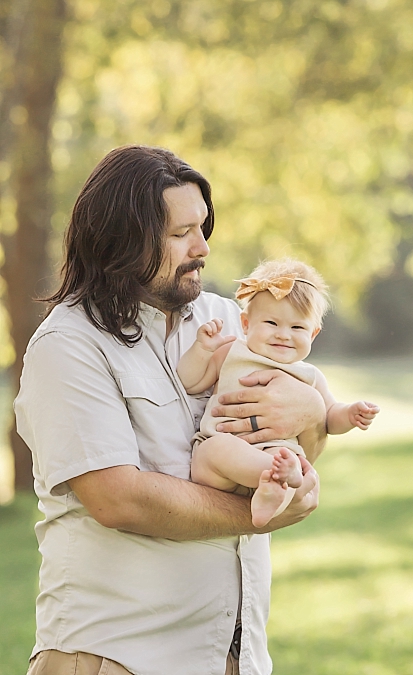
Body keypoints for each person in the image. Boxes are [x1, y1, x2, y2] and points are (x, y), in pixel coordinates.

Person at [14, 145, 325, 675]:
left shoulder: (231, 319)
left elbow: (293, 447)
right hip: (119, 655)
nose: (202, 247)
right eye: (181, 234)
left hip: (234, 655)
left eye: (203, 227)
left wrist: (311, 411)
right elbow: (119, 499)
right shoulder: (68, 346)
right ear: (123, 239)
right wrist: (260, 516)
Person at [179, 258, 379, 527]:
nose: (284, 335)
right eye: (272, 323)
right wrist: (202, 350)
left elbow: (329, 417)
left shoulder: (309, 376)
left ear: (313, 334)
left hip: (277, 454)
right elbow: (190, 382)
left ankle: (274, 488)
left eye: (297, 327)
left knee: (291, 465)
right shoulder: (231, 352)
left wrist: (351, 413)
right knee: (214, 450)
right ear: (246, 324)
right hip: (222, 458)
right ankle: (276, 480)